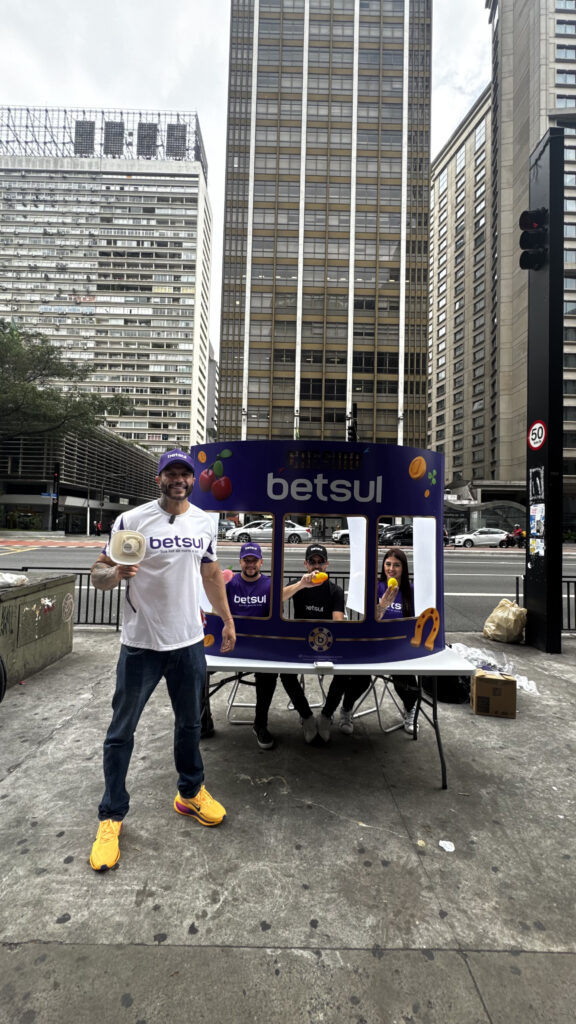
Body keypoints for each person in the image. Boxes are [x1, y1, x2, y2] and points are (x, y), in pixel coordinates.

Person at [88, 448, 236, 873]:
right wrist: (115, 574)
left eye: (185, 474)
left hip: (188, 642)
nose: (179, 480)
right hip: (141, 645)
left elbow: (211, 574)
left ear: (193, 479)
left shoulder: (205, 522)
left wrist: (227, 619)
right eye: (171, 473)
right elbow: (98, 573)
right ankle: (111, 816)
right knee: (121, 732)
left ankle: (190, 793)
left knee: (190, 725)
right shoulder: (131, 521)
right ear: (159, 479)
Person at [281, 544, 371, 743]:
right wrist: (302, 585)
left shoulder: (335, 590)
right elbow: (277, 598)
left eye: (320, 562)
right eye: (312, 562)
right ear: (306, 565)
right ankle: (306, 716)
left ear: (327, 564)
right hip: (301, 643)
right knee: (285, 674)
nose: (316, 566)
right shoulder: (299, 584)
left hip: (327, 642)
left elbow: (338, 621)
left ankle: (327, 715)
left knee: (349, 674)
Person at [376, 547, 418, 734]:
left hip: (400, 646)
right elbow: (370, 620)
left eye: (396, 565)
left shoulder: (411, 590)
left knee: (409, 685)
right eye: (388, 564)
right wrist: (382, 605)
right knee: (356, 679)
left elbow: (417, 621)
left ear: (403, 568)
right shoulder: (377, 587)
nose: (391, 569)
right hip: (378, 643)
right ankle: (347, 708)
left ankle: (409, 710)